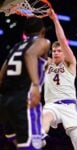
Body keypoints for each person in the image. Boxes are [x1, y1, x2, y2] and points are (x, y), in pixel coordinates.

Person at [0, 17, 50, 150]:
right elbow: (30, 54)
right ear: (43, 31)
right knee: (33, 146)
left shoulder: (16, 47)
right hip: (25, 101)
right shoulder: (43, 42)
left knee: (24, 145)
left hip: (5, 102)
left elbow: (2, 72)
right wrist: (34, 85)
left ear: (25, 32)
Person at [42, 9, 77, 150]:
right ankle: (40, 136)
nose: (56, 52)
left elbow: (62, 41)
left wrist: (55, 20)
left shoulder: (70, 63)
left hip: (69, 105)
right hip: (52, 104)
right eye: (54, 51)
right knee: (45, 117)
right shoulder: (47, 64)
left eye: (59, 50)